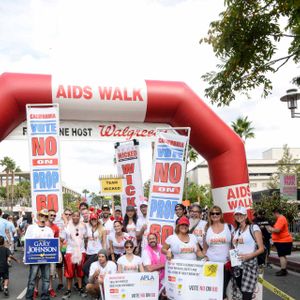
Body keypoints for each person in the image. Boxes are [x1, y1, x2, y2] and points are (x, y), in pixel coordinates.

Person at [232, 206, 264, 300]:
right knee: (242, 292)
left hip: (249, 265)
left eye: (241, 214)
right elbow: (236, 247)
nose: (239, 216)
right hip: (237, 266)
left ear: (246, 216)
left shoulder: (253, 227)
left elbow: (261, 249)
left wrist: (248, 256)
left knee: (247, 294)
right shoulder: (236, 231)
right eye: (236, 214)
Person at [202, 206, 232, 300]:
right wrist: (204, 258)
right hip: (211, 265)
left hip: (226, 264)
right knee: (212, 291)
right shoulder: (207, 228)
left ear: (221, 214)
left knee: (223, 291)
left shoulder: (229, 227)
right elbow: (205, 248)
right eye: (212, 213)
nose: (215, 215)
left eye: (217, 213)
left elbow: (235, 245)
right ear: (209, 215)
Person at [24, 209, 54, 300]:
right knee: (32, 278)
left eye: (45, 216)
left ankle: (45, 296)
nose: (43, 217)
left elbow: (52, 243)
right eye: (41, 215)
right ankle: (29, 297)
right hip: (34, 257)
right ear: (38, 216)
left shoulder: (49, 230)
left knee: (46, 278)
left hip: (46, 258)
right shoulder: (31, 228)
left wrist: (57, 254)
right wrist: (25, 256)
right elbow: (26, 242)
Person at [61, 211, 87, 299]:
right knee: (69, 272)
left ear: (79, 217)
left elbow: (86, 238)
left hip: (81, 251)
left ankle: (80, 289)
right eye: (74, 216)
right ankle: (68, 290)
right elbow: (61, 239)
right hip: (70, 252)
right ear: (72, 217)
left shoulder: (83, 226)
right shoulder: (67, 226)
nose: (76, 217)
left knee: (80, 271)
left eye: (77, 216)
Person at [267, 208, 293, 276]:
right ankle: (284, 269)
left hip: (283, 241)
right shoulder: (281, 218)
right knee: (283, 255)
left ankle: (283, 270)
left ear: (276, 213)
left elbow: (277, 230)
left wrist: (270, 228)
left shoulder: (281, 219)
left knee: (281, 256)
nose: (273, 216)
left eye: (273, 214)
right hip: (283, 240)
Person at [83, 213, 106, 278]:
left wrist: (103, 252)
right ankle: (95, 281)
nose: (93, 220)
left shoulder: (102, 228)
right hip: (88, 252)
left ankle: (94, 280)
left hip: (97, 252)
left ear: (97, 219)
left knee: (85, 268)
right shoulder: (88, 228)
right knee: (92, 268)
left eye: (95, 219)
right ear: (90, 220)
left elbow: (104, 241)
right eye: (92, 219)